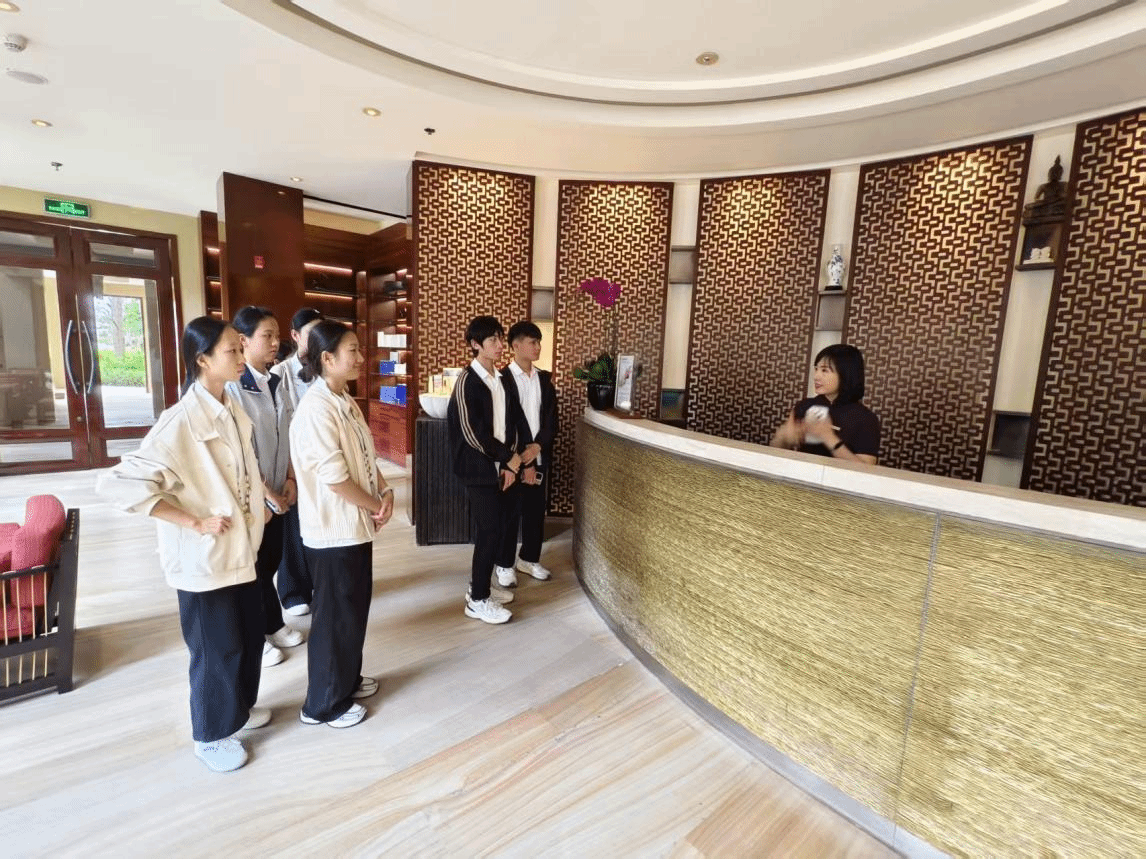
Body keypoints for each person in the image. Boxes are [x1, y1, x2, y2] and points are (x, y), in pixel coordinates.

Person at [98, 317, 269, 772]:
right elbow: (118, 485)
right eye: (232, 350)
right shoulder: (178, 422)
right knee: (216, 648)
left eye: (240, 348)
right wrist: (192, 521)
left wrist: (259, 505)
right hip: (204, 558)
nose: (241, 357)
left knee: (247, 637)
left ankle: (237, 712)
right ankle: (210, 735)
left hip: (241, 551)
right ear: (203, 360)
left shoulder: (231, 406)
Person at [289, 320, 393, 728]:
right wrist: (375, 505)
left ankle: (345, 680)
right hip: (333, 530)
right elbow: (335, 478)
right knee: (334, 618)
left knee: (352, 610)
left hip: (354, 525)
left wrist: (385, 490)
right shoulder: (316, 409)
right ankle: (323, 704)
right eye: (353, 350)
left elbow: (365, 456)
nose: (361, 358)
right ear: (327, 358)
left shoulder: (343, 399)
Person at [227, 306, 305, 669]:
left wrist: (289, 478)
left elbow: (286, 434)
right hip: (254, 496)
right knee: (252, 567)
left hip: (278, 488)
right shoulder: (233, 387)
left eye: (277, 335)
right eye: (267, 336)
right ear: (243, 341)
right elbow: (240, 449)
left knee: (270, 560)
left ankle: (271, 622)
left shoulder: (275, 380)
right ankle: (255, 634)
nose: (276, 342)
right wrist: (264, 492)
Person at [447, 315, 528, 624]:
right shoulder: (467, 380)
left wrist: (510, 463)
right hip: (477, 468)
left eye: (500, 339)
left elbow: (513, 422)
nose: (499, 345)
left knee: (502, 527)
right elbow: (472, 433)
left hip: (502, 466)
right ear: (475, 344)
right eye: (492, 340)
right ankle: (477, 599)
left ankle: (481, 586)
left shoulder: (502, 378)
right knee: (489, 529)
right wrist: (508, 458)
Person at [271, 308, 324, 617]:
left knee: (319, 522)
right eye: (310, 334)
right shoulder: (280, 373)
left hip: (321, 460)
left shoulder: (325, 368)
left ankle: (319, 584)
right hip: (292, 460)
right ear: (294, 335)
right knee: (293, 527)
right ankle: (293, 591)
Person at [496, 321, 555, 587]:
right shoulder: (502, 380)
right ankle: (504, 564)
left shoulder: (544, 379)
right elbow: (506, 423)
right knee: (508, 513)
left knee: (535, 512)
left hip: (539, 456)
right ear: (516, 346)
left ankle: (529, 559)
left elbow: (551, 419)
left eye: (539, 342)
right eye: (533, 342)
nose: (538, 347)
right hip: (512, 460)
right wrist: (524, 456)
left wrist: (538, 447)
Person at [770, 344, 880, 465]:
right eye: (816, 369)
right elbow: (775, 452)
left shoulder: (866, 419)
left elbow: (866, 470)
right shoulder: (804, 406)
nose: (816, 376)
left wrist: (828, 437)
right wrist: (783, 437)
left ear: (845, 374)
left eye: (824, 370)